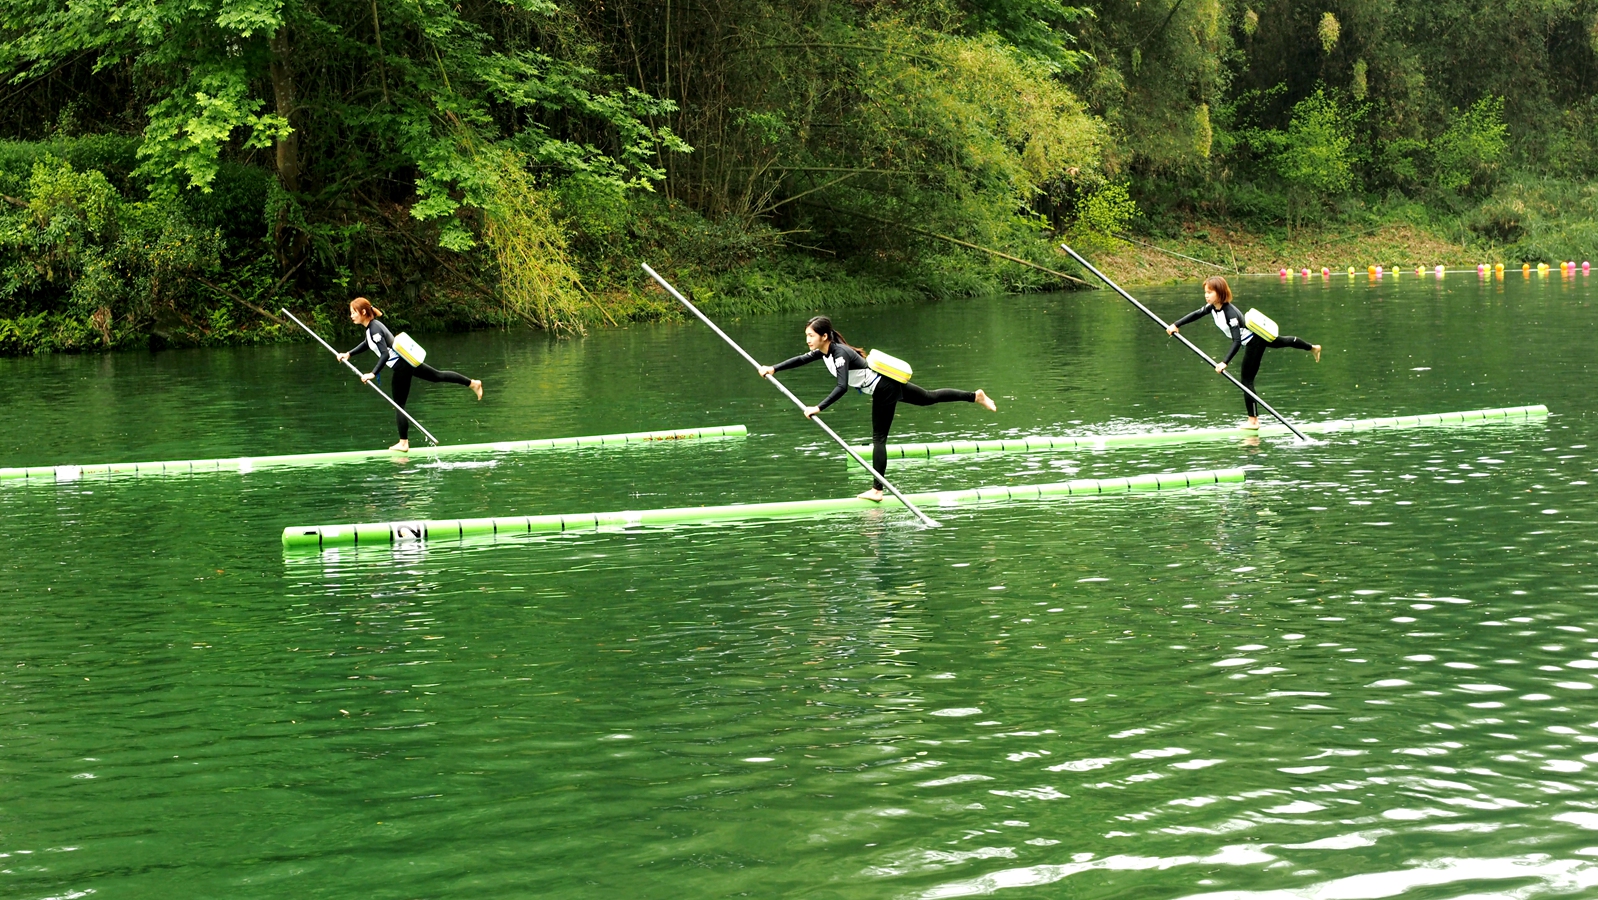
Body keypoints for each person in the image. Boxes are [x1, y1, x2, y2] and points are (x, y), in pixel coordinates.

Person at [758, 316, 996, 501]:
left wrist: (818, 407)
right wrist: (773, 368)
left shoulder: (840, 354)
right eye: (807, 335)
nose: (808, 339)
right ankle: (975, 396)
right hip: (887, 383)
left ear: (824, 336)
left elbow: (841, 387)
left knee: (879, 439)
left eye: (811, 335)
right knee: (928, 397)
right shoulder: (824, 352)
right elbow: (800, 359)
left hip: (884, 388)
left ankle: (877, 490)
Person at [1166, 275, 1320, 429]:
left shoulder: (1230, 314)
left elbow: (1237, 341)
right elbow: (1196, 314)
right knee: (1282, 341)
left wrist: (1224, 362)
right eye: (1205, 292)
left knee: (1247, 381)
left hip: (1254, 342)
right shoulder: (1212, 307)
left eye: (1210, 292)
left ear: (1220, 293)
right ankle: (1313, 348)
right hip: (1256, 336)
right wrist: (1176, 324)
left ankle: (1253, 421)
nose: (1206, 295)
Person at [335, 297, 483, 451]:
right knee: (437, 376)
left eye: (353, 312)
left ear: (363, 312)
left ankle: (403, 442)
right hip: (406, 361)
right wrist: (349, 354)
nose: (351, 316)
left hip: (402, 366)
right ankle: (473, 383)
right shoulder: (372, 328)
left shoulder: (374, 329)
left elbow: (384, 354)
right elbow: (368, 343)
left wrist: (372, 373)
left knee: (399, 405)